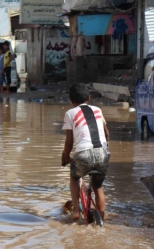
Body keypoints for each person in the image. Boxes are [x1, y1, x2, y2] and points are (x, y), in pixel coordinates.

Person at [62, 84, 110, 222]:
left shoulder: (70, 113)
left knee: (75, 177)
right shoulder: (98, 110)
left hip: (83, 155)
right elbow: (106, 133)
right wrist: (106, 150)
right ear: (89, 98)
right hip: (102, 153)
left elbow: (69, 142)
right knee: (98, 187)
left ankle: (76, 210)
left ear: (71, 100)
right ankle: (101, 217)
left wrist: (66, 156)